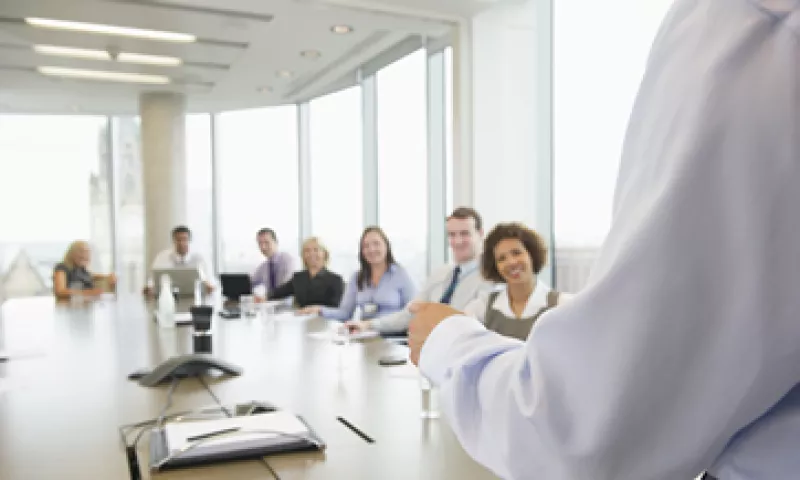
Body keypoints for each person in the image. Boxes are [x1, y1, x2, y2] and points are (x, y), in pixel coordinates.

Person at [408, 1, 800, 478]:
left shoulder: (757, 28)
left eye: (515, 252)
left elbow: (589, 439)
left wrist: (449, 346)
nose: (510, 262)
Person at [346, 207, 493, 334]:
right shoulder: (440, 274)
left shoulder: (490, 278)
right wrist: (368, 325)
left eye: (465, 234)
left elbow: (470, 321)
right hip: (426, 350)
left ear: (480, 233)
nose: (457, 241)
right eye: (452, 235)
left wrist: (428, 312)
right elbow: (409, 313)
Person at [460, 223, 564, 341]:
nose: (511, 262)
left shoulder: (560, 304)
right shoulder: (482, 308)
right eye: (501, 259)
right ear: (495, 267)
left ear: (532, 255)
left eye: (516, 253)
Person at [299, 226, 415, 321]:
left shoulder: (400, 275)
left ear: (386, 246)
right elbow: (345, 313)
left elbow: (412, 313)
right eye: (366, 246)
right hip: (365, 335)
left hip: (393, 339)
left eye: (376, 244)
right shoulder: (357, 278)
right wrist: (319, 310)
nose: (371, 249)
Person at [267, 237, 344, 308]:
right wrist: (264, 296)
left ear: (324, 253)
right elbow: (278, 293)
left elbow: (336, 308)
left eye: (316, 250)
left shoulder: (336, 280)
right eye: (307, 251)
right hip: (301, 319)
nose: (311, 254)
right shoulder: (298, 277)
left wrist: (317, 309)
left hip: (324, 321)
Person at [144, 226, 213, 295]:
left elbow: (209, 279)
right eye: (178, 240)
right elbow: (153, 278)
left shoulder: (200, 257)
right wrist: (150, 287)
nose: (181, 243)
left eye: (184, 239)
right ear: (173, 240)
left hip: (196, 296)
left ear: (189, 240)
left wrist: (209, 285)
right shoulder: (162, 256)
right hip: (169, 296)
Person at [251, 228, 295, 296]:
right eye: (260, 243)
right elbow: (252, 284)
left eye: (266, 242)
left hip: (286, 303)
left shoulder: (287, 260)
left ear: (276, 242)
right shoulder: (263, 267)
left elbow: (285, 287)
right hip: (269, 303)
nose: (263, 247)